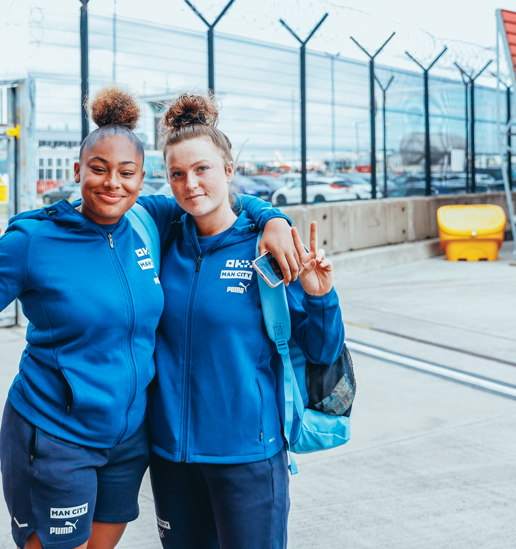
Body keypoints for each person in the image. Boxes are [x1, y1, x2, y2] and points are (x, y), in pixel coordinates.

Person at [0, 86, 300, 549]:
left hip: (128, 444)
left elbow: (221, 198)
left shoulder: (150, 220)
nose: (112, 183)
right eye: (98, 170)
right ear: (77, 170)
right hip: (56, 434)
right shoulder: (33, 239)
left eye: (126, 172)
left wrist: (273, 219)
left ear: (143, 179)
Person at [146, 93, 346, 549]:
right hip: (172, 460)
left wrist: (320, 297)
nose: (190, 183)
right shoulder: (163, 240)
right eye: (177, 174)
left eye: (203, 169)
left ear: (229, 170)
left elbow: (322, 350)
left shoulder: (266, 248)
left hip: (248, 458)